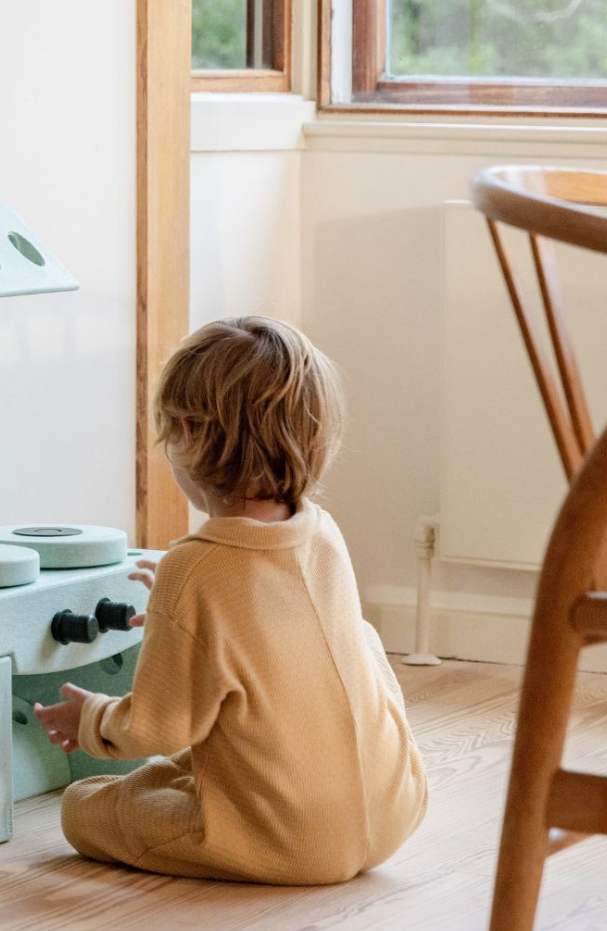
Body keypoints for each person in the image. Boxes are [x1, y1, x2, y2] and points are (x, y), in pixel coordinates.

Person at [34, 317, 427, 884]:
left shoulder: (192, 569)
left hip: (291, 844)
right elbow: (273, 638)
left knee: (86, 806)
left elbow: (158, 728)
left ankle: (245, 816)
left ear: (190, 440)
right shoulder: (321, 532)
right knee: (358, 640)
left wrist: (89, 718)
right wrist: (180, 606)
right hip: (395, 811)